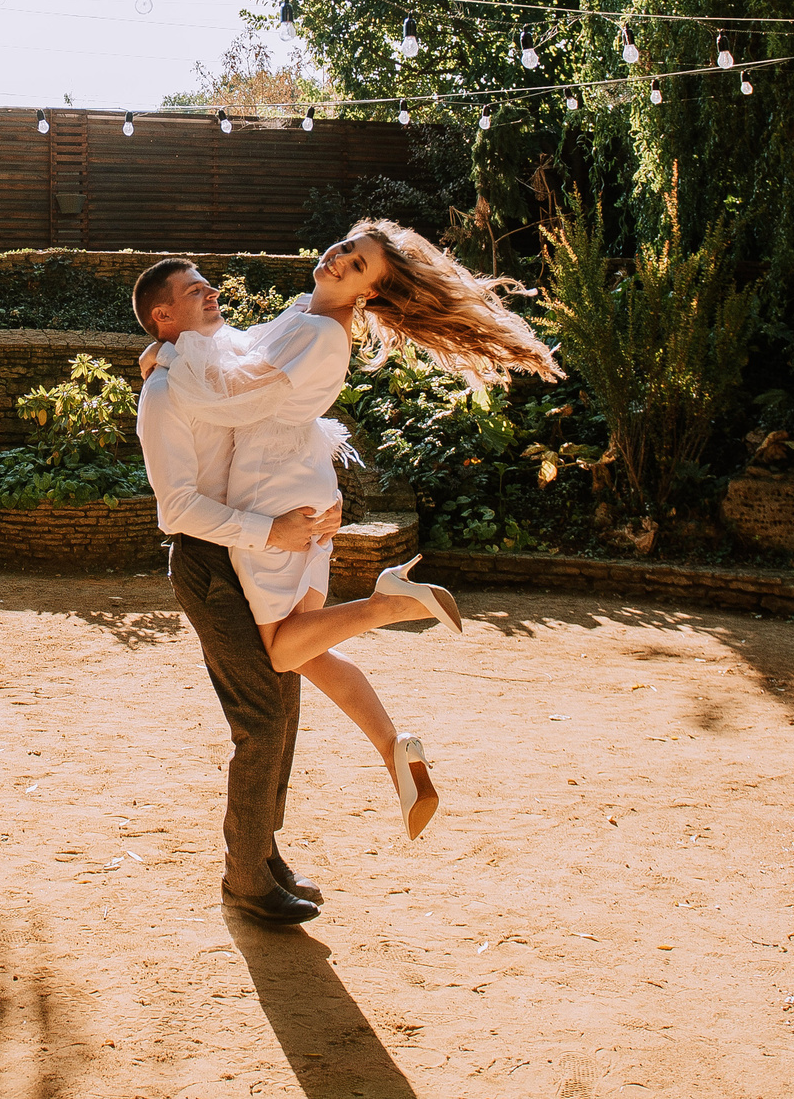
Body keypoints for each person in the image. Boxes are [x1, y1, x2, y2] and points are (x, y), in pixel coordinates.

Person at [146, 221, 563, 843]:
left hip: (274, 488)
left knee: (285, 650)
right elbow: (232, 352)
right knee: (307, 651)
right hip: (300, 478)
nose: (339, 258)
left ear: (368, 294)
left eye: (359, 265)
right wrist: (171, 348)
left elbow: (231, 399)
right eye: (346, 246)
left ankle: (390, 601)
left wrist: (168, 356)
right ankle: (395, 747)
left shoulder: (318, 333)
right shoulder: (302, 315)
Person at [133, 256, 339, 925]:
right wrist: (268, 530)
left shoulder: (213, 366)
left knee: (286, 693)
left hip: (258, 555)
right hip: (211, 563)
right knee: (261, 717)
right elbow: (177, 508)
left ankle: (263, 851)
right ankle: (244, 878)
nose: (212, 291)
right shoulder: (163, 396)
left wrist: (308, 511)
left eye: (208, 284)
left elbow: (282, 370)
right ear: (163, 315)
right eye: (194, 291)